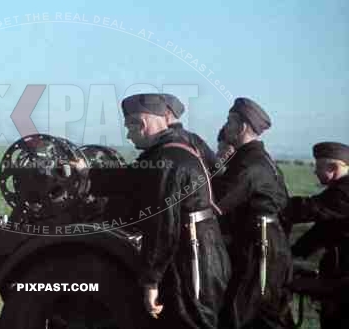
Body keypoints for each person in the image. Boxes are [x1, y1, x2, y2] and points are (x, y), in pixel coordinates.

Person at [73, 93, 231, 328]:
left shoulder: (167, 160)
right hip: (199, 252)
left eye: (129, 128)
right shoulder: (173, 151)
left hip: (193, 260)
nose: (128, 135)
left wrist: (150, 282)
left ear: (143, 124)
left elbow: (162, 228)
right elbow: (133, 178)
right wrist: (88, 174)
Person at [214, 97, 294, 329]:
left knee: (241, 317)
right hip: (266, 247)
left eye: (230, 122)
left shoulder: (249, 164)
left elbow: (216, 203)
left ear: (242, 127)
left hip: (259, 252)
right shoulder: (259, 159)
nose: (225, 126)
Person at [283, 142, 349, 328]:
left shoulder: (343, 193)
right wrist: (291, 253)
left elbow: (308, 209)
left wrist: (273, 203)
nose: (314, 172)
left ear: (334, 168)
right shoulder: (340, 191)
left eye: (318, 166)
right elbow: (321, 232)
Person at [162, 93, 219, 172]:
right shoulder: (195, 139)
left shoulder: (158, 139)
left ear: (167, 113)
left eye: (156, 110)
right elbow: (218, 168)